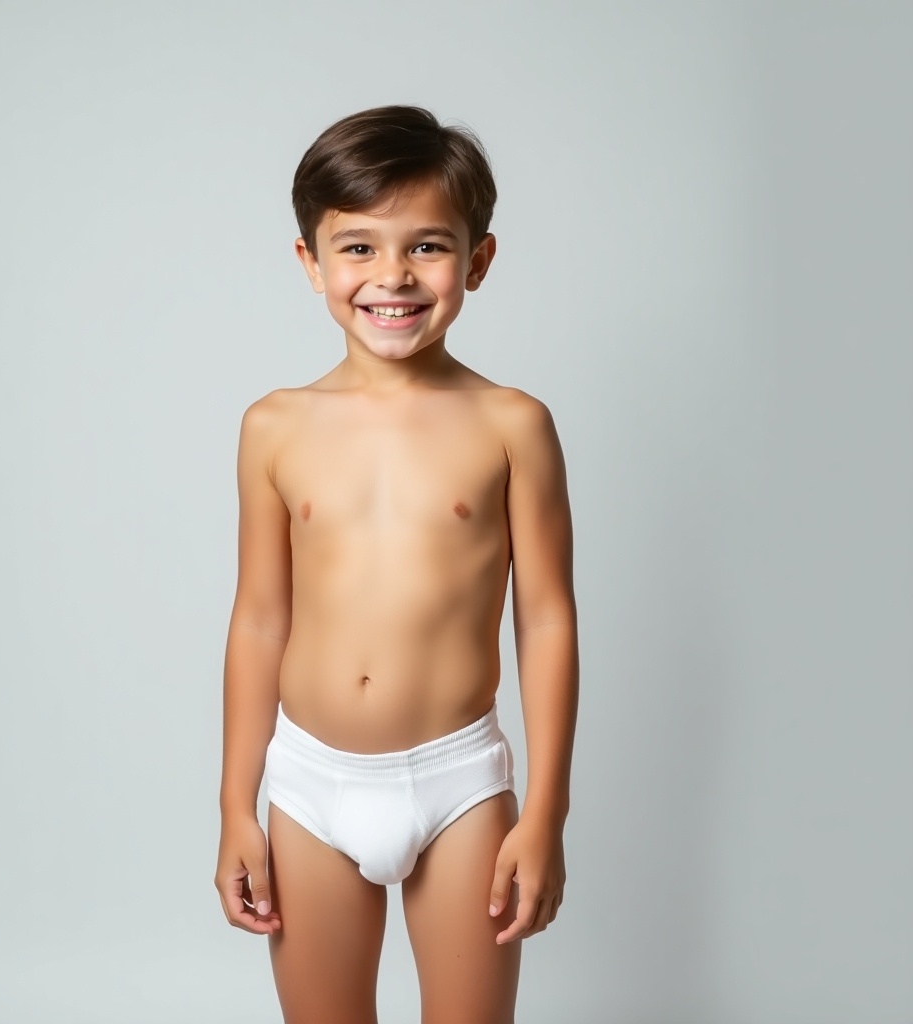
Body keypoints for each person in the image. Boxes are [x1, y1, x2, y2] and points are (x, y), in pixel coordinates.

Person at [215, 105, 579, 1024]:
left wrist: (546, 815)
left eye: (426, 247)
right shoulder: (274, 426)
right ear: (310, 263)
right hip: (310, 787)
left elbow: (546, 620)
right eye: (359, 248)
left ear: (478, 260)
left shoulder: (512, 425)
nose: (392, 277)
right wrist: (235, 805)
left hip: (458, 783)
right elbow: (260, 618)